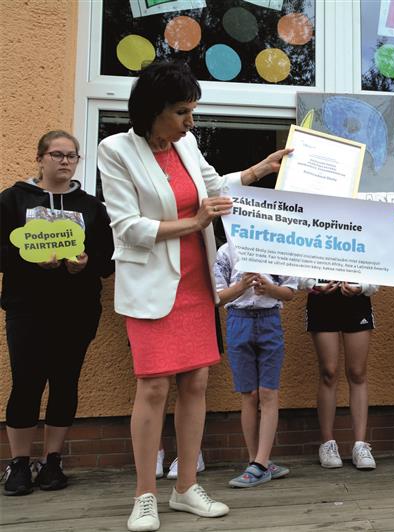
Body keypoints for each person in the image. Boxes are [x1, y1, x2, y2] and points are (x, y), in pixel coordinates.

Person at [97, 60, 292, 532]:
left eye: (193, 111)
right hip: (152, 286)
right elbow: (127, 227)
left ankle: (185, 488)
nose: (191, 122)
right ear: (153, 109)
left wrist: (260, 169)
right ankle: (145, 494)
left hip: (196, 283)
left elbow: (214, 188)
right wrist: (195, 223)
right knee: (153, 387)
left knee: (196, 385)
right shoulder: (116, 150)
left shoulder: (187, 145)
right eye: (183, 112)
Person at [1, 130, 114, 495]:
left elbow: (107, 259)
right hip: (27, 309)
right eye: (57, 154)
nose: (65, 161)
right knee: (26, 383)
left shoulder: (92, 207)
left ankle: (52, 461)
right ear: (41, 157)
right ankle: (18, 463)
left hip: (76, 311)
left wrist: (86, 265)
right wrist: (30, 262)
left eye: (72, 156)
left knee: (65, 383)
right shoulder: (12, 201)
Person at [214, 243, 296, 487]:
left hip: (269, 319)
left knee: (268, 392)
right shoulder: (225, 251)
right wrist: (241, 286)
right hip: (238, 320)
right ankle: (256, 461)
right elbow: (217, 297)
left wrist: (269, 288)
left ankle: (260, 463)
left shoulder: (277, 246)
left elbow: (290, 292)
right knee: (248, 394)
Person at [303, 278, 379, 470]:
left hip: (357, 300)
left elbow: (379, 268)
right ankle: (327, 443)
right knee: (328, 372)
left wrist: (363, 286)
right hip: (321, 300)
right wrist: (313, 284)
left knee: (357, 372)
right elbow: (298, 264)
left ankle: (360, 445)